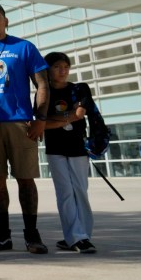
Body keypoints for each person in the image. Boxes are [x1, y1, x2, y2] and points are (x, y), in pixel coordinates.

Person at [0, 3, 50, 254]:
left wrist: (40, 118)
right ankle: (3, 234)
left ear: (5, 20)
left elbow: (42, 84)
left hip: (21, 123)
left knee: (25, 180)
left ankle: (32, 234)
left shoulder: (24, 47)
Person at [43, 52, 97, 253]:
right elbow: (42, 125)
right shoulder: (44, 93)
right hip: (55, 149)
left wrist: (56, 119)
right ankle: (75, 237)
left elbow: (80, 113)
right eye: (57, 66)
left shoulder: (80, 89)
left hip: (77, 149)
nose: (62, 71)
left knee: (80, 192)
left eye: (66, 66)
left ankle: (83, 235)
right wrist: (68, 116)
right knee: (65, 193)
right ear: (48, 69)